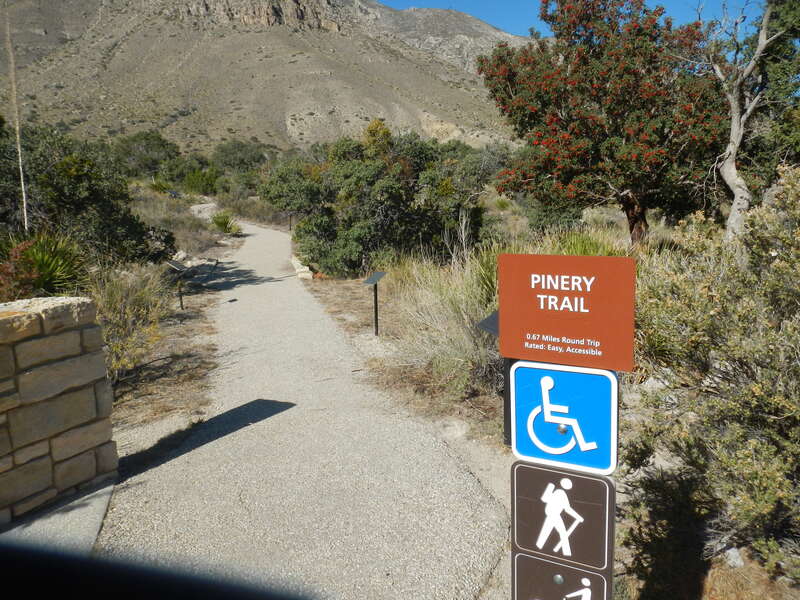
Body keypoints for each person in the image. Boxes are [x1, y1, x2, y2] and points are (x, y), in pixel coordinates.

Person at [535, 477, 584, 557]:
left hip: (552, 515)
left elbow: (567, 509)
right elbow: (567, 509)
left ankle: (538, 548)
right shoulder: (560, 493)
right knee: (562, 533)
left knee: (547, 532)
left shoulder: (559, 492)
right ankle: (567, 554)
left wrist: (578, 517)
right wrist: (578, 517)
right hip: (554, 515)